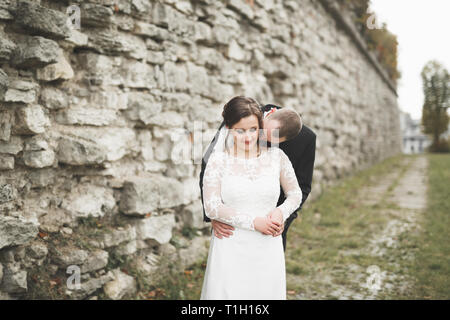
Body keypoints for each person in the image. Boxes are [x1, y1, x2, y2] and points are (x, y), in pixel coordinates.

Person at [200, 96, 302, 300]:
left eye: (253, 129)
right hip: (230, 245)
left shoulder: (277, 158)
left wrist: (280, 212)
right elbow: (211, 206)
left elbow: (295, 193)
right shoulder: (218, 161)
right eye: (240, 130)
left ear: (261, 127)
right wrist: (254, 223)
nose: (247, 137)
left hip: (268, 245)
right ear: (228, 128)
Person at [199, 102, 316, 252]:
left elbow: (302, 186)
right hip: (231, 218)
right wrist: (215, 215)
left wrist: (281, 216)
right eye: (259, 130)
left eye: (269, 139)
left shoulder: (306, 140)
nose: (254, 139)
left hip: (272, 223)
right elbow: (208, 164)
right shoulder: (243, 114)